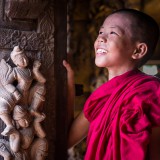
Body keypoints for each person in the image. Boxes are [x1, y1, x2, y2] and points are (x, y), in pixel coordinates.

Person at [63, 8, 160, 160]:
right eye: (101, 32)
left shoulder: (151, 92)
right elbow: (65, 140)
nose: (101, 38)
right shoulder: (100, 98)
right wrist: (68, 84)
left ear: (138, 50)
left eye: (113, 33)